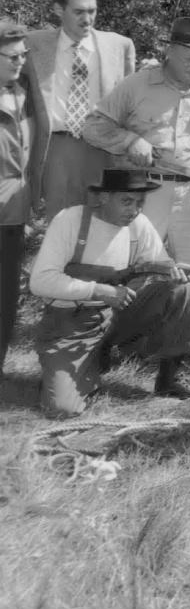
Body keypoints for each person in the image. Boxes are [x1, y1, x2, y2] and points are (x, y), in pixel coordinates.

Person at [82, 18, 190, 347]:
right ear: (169, 51)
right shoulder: (136, 86)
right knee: (139, 267)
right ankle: (121, 339)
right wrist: (131, 141)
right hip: (146, 192)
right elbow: (93, 127)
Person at [28, 169, 190, 416]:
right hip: (70, 326)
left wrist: (176, 271)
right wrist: (99, 290)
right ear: (104, 197)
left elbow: (161, 262)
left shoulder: (138, 224)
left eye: (140, 203)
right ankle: (88, 364)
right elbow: (40, 281)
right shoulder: (70, 220)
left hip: (117, 316)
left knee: (181, 290)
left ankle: (168, 381)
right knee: (62, 409)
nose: (135, 210)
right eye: (126, 201)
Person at [24, 0, 135, 219]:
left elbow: (130, 104)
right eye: (78, 12)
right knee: (59, 226)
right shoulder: (33, 44)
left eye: (92, 11)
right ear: (58, 10)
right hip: (56, 150)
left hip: (103, 149)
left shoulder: (120, 46)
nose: (87, 19)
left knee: (102, 223)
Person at [0, 20, 49, 374]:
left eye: (23, 55)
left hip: (14, 213)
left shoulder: (25, 93)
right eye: (12, 56)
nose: (20, 62)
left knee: (5, 299)